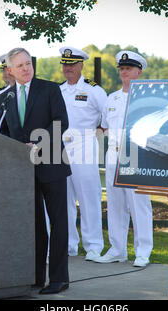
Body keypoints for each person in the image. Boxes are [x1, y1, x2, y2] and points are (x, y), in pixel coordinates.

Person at [0, 47, 71, 294]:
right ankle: (36, 277)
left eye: (28, 63)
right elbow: (5, 133)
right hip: (24, 171)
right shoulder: (4, 98)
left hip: (52, 164)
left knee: (59, 223)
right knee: (35, 226)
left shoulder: (50, 89)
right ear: (10, 70)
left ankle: (59, 279)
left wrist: (39, 142)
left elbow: (61, 122)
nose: (26, 68)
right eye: (20, 66)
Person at [94, 51, 153, 267]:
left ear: (139, 71)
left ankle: (143, 251)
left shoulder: (148, 99)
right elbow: (105, 127)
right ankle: (117, 249)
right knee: (115, 205)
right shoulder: (112, 98)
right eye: (121, 68)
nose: (124, 72)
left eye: (128, 68)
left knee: (139, 205)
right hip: (113, 156)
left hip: (137, 156)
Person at [59, 46, 106, 261]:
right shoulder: (58, 90)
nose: (67, 68)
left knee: (89, 197)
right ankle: (69, 244)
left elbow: (106, 119)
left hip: (85, 144)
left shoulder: (94, 90)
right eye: (65, 64)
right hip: (60, 147)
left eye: (72, 64)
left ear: (81, 65)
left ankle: (93, 246)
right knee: (63, 198)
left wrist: (99, 131)